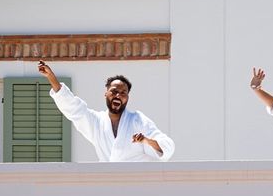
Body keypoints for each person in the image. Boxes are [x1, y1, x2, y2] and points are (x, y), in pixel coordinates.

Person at [38, 60, 175, 162]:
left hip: (137, 185)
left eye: (123, 93)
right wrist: (51, 77)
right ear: (106, 94)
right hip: (109, 184)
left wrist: (146, 140)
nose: (118, 96)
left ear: (127, 97)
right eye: (114, 92)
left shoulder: (137, 120)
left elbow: (166, 146)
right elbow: (74, 108)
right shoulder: (97, 122)